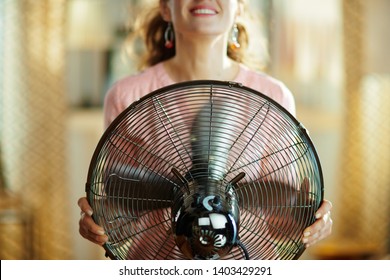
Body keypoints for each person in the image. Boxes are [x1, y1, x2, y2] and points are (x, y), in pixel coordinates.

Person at [78, 0, 333, 256]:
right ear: (166, 8)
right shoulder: (127, 96)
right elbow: (118, 212)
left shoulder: (273, 98)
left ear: (240, 7)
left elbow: (283, 223)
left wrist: (310, 222)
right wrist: (98, 223)